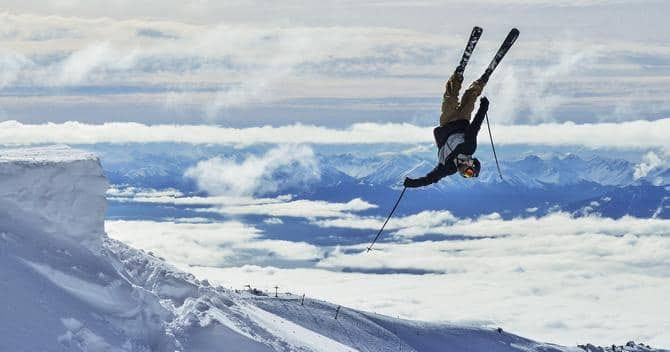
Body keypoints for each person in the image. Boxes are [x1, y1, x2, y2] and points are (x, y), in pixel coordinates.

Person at [403, 71, 489, 188]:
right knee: (470, 97)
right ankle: (481, 82)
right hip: (463, 120)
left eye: (465, 175)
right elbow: (475, 126)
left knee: (451, 97)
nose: (463, 174)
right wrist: (484, 107)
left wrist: (412, 184)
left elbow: (431, 178)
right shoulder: (469, 148)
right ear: (471, 164)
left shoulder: (448, 168)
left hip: (447, 123)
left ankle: (457, 76)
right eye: (468, 173)